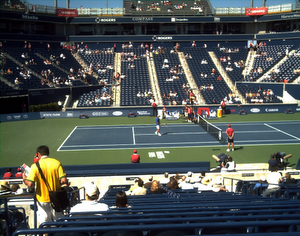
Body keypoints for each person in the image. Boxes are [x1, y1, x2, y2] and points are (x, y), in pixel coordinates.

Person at [23, 145, 68, 226]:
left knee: (45, 225)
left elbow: (30, 184)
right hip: (56, 197)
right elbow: (64, 180)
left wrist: (24, 179)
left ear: (38, 154)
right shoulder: (57, 163)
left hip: (42, 199)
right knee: (60, 223)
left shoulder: (34, 166)